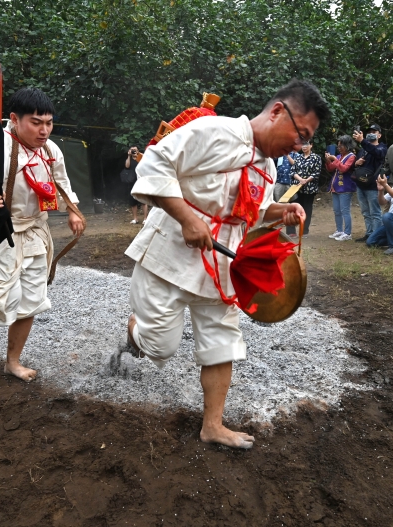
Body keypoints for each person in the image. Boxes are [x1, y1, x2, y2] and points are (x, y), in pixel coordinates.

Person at [124, 79, 327, 449]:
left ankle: (212, 426)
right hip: (169, 256)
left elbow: (250, 211)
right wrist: (187, 219)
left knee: (223, 343)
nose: (299, 146)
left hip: (222, 265)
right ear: (277, 111)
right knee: (160, 347)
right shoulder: (215, 130)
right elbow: (155, 163)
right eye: (301, 134)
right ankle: (135, 330)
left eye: (306, 140)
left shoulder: (268, 167)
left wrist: (280, 211)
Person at [0, 87, 86, 382]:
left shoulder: (51, 150)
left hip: (35, 229)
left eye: (48, 123)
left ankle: (13, 361)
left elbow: (61, 183)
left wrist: (73, 211)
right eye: (36, 123)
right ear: (14, 119)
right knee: (1, 293)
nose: (44, 130)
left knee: (31, 299)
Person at [352, 129, 387, 241]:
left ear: (379, 135)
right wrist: (356, 163)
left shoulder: (382, 148)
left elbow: (376, 153)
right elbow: (356, 166)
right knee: (365, 212)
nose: (371, 134)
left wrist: (362, 141)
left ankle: (376, 237)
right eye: (369, 132)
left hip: (373, 185)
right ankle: (369, 234)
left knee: (375, 212)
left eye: (374, 132)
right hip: (361, 184)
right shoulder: (363, 149)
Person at [324, 135, 356, 241]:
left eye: (341, 146)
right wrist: (328, 161)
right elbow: (330, 168)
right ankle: (339, 230)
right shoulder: (338, 156)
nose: (339, 148)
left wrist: (334, 159)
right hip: (335, 187)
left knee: (345, 211)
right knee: (337, 211)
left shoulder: (351, 156)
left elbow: (344, 168)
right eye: (338, 146)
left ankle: (347, 233)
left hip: (346, 188)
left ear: (347, 145)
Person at [288, 139, 321, 238]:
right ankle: (291, 231)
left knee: (307, 209)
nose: (304, 146)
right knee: (293, 208)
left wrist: (306, 180)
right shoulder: (298, 157)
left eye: (306, 144)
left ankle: (304, 231)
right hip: (296, 187)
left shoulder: (316, 158)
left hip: (309, 188)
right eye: (302, 144)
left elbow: (316, 172)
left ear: (311, 145)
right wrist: (300, 179)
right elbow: (292, 171)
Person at [124, 146, 148, 224]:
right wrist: (129, 156)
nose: (133, 151)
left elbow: (145, 160)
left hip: (141, 181)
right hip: (132, 182)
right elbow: (127, 166)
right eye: (132, 150)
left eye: (135, 150)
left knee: (143, 201)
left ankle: (145, 218)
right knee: (132, 201)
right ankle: (135, 218)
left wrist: (138, 154)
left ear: (138, 150)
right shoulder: (129, 159)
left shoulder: (141, 158)